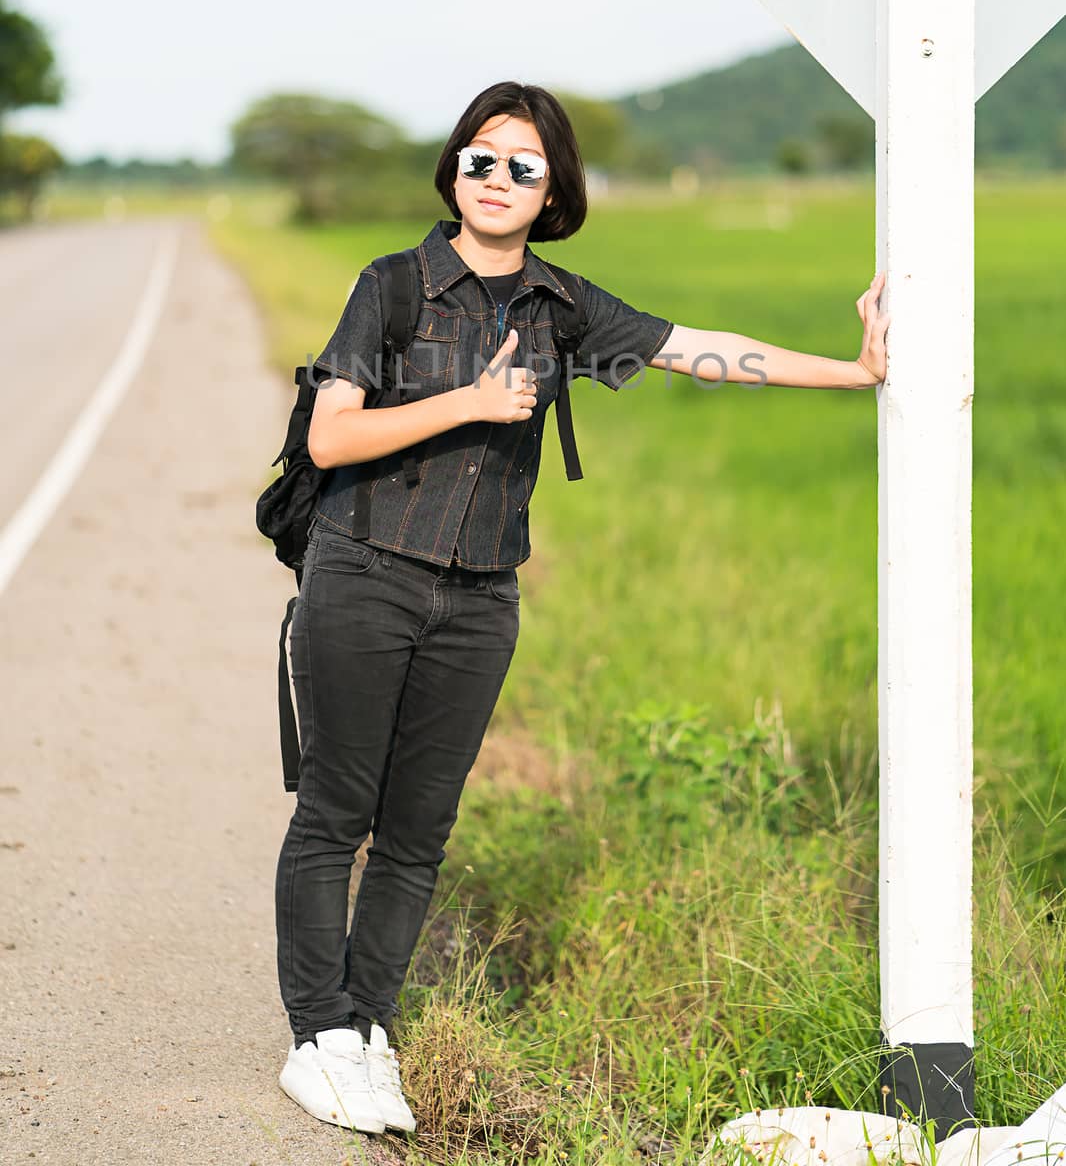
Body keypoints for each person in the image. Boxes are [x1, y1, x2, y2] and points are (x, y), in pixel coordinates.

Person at [274, 78, 890, 1135]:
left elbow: (697, 351)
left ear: (553, 187)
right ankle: (316, 1034)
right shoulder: (391, 286)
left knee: (419, 828)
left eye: (522, 163)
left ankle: (368, 1027)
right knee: (339, 807)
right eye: (480, 157)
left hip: (479, 599)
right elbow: (331, 437)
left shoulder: (566, 308)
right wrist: (467, 401)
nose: (497, 177)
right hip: (364, 569)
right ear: (453, 171)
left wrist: (855, 369)